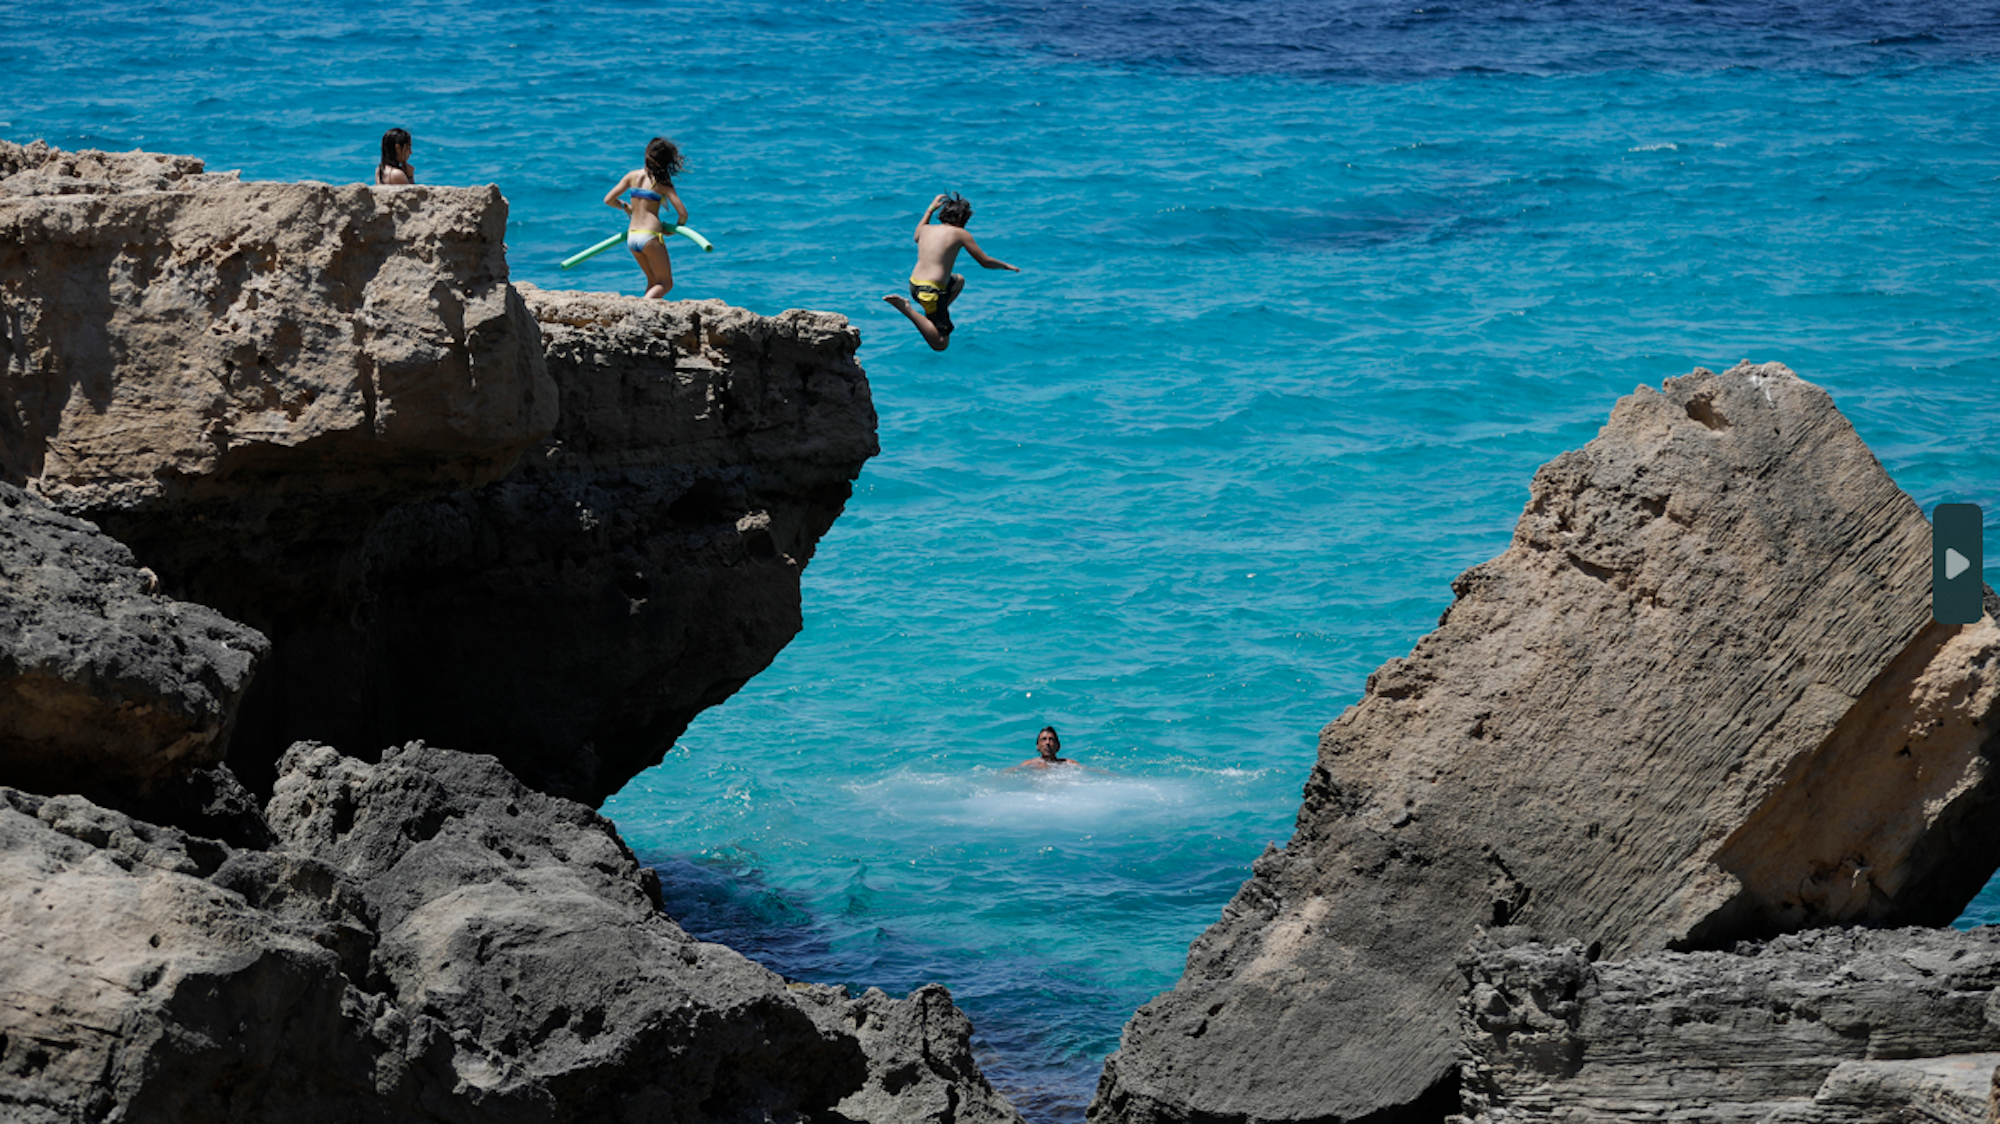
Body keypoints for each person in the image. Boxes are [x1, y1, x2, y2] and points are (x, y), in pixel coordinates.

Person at [883, 192, 1020, 351]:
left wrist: (930, 209)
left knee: (959, 281)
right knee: (941, 344)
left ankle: (933, 316)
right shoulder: (960, 233)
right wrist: (1006, 266)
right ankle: (906, 308)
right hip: (931, 291)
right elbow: (985, 262)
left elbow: (916, 236)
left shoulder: (926, 229)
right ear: (963, 219)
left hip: (914, 285)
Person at [603, 137, 689, 299]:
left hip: (633, 236)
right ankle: (640, 308)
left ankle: (644, 313)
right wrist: (676, 228)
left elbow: (608, 200)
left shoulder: (632, 176)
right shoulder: (663, 183)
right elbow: (683, 214)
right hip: (650, 236)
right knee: (666, 283)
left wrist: (625, 207)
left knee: (653, 280)